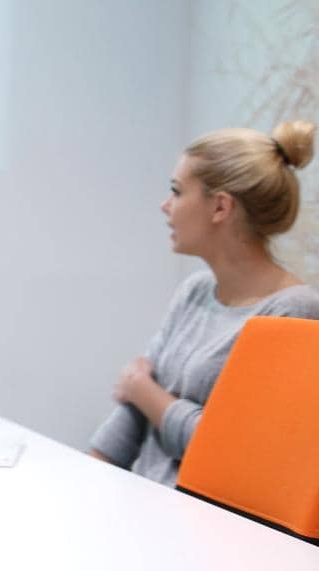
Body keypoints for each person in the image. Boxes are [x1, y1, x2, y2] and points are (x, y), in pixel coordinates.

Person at [90, 121, 319, 485]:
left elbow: (232, 452)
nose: (166, 206)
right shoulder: (194, 290)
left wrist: (147, 393)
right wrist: (83, 477)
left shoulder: (294, 312)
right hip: (141, 505)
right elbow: (133, 413)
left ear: (220, 207)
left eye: (177, 192)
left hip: (208, 529)